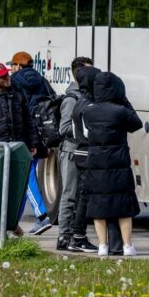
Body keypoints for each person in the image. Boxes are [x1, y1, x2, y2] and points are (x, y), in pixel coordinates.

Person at [76, 71, 143, 256]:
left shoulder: (88, 111)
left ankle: (102, 246)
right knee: (123, 207)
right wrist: (125, 101)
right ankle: (127, 245)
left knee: (98, 206)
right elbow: (136, 123)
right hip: (118, 163)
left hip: (96, 164)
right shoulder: (120, 112)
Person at [0, 62, 39, 236]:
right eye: (2, 77)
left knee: (17, 188)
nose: (7, 78)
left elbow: (28, 119)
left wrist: (32, 143)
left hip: (17, 145)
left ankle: (12, 222)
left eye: (7, 75)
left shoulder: (17, 93)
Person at [7, 51, 55, 236]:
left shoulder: (15, 81)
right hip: (42, 134)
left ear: (18, 66)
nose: (11, 69)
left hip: (25, 136)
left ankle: (41, 216)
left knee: (26, 178)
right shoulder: (42, 80)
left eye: (12, 65)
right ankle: (13, 223)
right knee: (24, 178)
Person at [56, 57, 99, 253]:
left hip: (82, 151)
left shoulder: (86, 95)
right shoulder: (71, 99)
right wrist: (85, 131)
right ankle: (64, 236)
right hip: (72, 151)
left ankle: (75, 234)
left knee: (80, 196)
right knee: (70, 195)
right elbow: (63, 127)